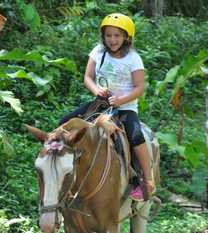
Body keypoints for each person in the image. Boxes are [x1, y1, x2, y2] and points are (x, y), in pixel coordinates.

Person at [58, 13, 153, 201]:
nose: (112, 40)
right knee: (64, 122)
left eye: (117, 35)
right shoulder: (98, 52)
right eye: (109, 35)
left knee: (135, 136)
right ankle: (58, 167)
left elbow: (140, 87)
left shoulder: (134, 59)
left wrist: (121, 100)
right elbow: (87, 77)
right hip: (100, 104)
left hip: (125, 107)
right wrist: (96, 90)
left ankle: (146, 180)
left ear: (126, 37)